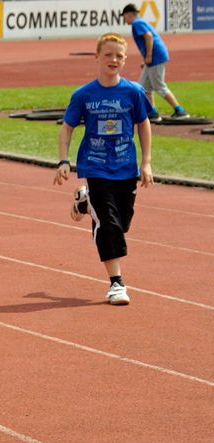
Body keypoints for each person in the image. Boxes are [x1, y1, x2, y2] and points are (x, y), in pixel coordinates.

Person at [53, 32, 153, 306]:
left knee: (122, 224)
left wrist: (146, 162)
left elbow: (144, 124)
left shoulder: (133, 92)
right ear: (97, 58)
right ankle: (116, 284)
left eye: (119, 55)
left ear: (125, 60)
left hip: (126, 168)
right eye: (108, 54)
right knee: (109, 225)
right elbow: (67, 128)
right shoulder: (83, 95)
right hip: (96, 168)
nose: (114, 59)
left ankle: (84, 203)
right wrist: (64, 161)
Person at [121, 3, 189, 122]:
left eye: (124, 16)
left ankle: (180, 111)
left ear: (129, 14)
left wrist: (149, 56)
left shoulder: (136, 23)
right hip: (154, 58)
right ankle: (152, 112)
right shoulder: (139, 22)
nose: (124, 19)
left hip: (156, 57)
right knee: (144, 86)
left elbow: (148, 36)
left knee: (159, 86)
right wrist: (146, 59)